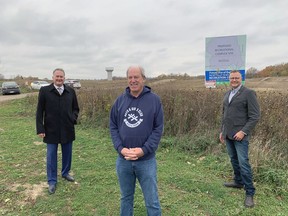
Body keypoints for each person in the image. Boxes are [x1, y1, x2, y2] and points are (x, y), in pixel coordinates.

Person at [110, 65, 163, 216]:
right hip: (123, 160)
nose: (133, 80)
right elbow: (113, 126)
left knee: (151, 200)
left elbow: (158, 129)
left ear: (143, 79)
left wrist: (144, 150)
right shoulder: (119, 101)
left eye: (136, 77)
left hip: (146, 161)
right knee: (126, 198)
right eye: (130, 77)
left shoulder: (154, 100)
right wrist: (120, 148)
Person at [219, 70, 260, 208]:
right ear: (229, 79)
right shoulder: (227, 93)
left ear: (241, 79)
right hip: (228, 134)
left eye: (237, 78)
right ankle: (238, 181)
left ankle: (250, 192)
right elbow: (224, 114)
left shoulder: (248, 93)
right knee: (234, 159)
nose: (234, 80)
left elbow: (255, 116)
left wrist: (243, 132)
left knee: (244, 163)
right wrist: (222, 131)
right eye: (232, 78)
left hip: (240, 136)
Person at [36, 68, 79, 194]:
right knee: (51, 156)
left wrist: (73, 118)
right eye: (57, 76)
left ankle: (65, 173)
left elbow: (76, 108)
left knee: (67, 154)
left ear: (64, 78)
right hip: (51, 129)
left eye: (61, 77)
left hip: (67, 128)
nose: (59, 79)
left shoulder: (70, 91)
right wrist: (40, 128)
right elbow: (39, 111)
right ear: (53, 77)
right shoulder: (45, 91)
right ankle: (52, 181)